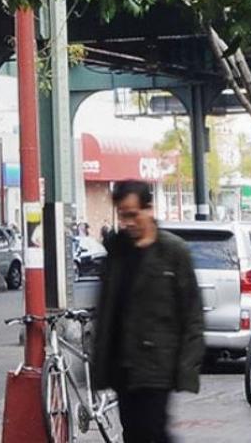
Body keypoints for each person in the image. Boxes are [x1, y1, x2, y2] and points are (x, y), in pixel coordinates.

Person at [92, 180, 204, 443]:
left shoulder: (173, 252)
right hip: (123, 366)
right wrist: (100, 362)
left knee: (152, 432)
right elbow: (107, 311)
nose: (128, 222)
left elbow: (192, 312)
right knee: (134, 434)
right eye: (122, 215)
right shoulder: (117, 251)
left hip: (157, 366)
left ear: (149, 209)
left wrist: (186, 368)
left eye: (133, 214)